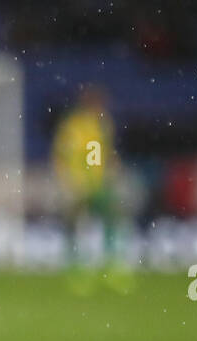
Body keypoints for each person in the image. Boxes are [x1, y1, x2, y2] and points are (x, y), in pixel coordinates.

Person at [52, 84, 130, 292]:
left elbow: (104, 153)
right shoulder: (73, 126)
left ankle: (111, 266)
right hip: (78, 183)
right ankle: (75, 268)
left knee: (111, 219)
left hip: (99, 183)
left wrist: (113, 169)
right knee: (73, 224)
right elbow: (62, 155)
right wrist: (68, 179)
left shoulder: (103, 125)